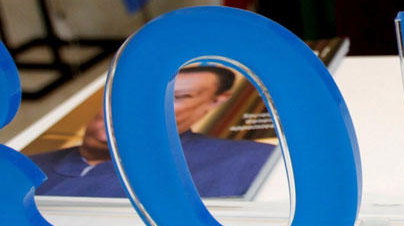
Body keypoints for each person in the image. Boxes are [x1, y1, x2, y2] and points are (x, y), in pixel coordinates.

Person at [30, 63, 276, 199]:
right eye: (136, 95)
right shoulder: (30, 166)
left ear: (216, 101)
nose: (145, 108)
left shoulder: (247, 160)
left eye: (177, 97)